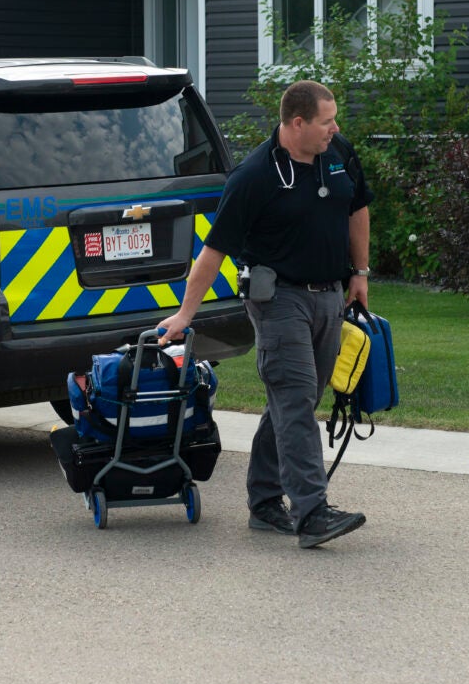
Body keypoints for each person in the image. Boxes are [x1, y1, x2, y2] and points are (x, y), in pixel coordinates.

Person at [158, 80, 373, 548]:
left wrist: (360, 272)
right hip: (278, 302)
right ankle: (312, 511)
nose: (334, 129)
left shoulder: (338, 153)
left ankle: (263, 500)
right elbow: (213, 252)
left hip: (330, 296)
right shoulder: (254, 177)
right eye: (325, 121)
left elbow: (357, 208)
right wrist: (184, 315)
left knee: (296, 399)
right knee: (295, 397)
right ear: (297, 123)